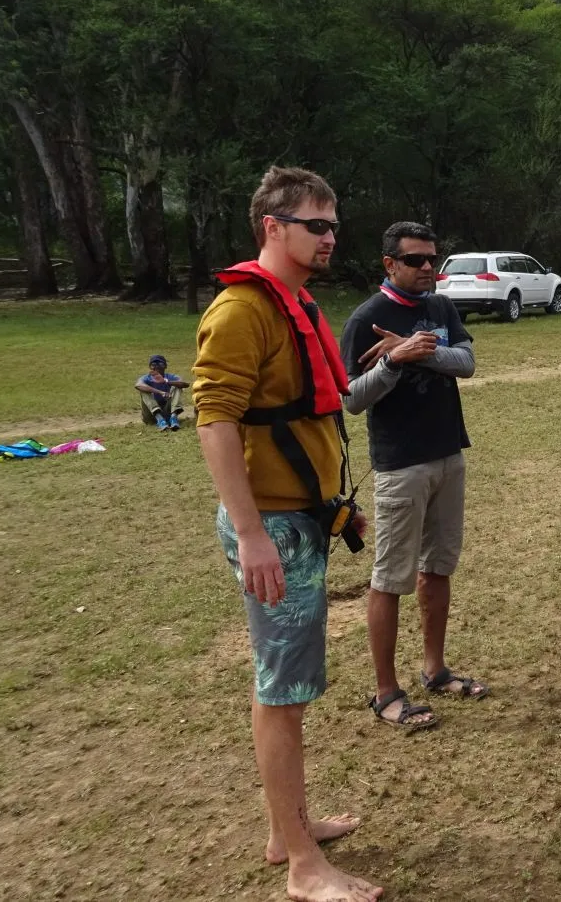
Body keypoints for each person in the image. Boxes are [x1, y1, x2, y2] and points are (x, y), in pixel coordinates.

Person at [194, 166, 382, 902]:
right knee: (282, 691)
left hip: (300, 519)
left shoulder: (296, 301)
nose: (330, 237)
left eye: (334, 226)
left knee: (289, 686)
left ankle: (287, 830)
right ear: (272, 226)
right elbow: (215, 421)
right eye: (316, 225)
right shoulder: (242, 310)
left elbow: (306, 419)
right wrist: (252, 534)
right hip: (270, 527)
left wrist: (334, 508)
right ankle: (303, 865)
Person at [341, 221, 483, 732]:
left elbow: (466, 362)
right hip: (401, 464)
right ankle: (386, 693)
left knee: (438, 567)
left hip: (448, 453)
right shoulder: (366, 318)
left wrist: (418, 348)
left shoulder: (441, 306)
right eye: (415, 260)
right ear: (389, 264)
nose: (427, 268)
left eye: (432, 259)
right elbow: (351, 399)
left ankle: (435, 670)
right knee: (390, 578)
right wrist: (394, 362)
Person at [136, 354, 188, 430]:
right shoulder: (146, 378)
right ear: (150, 367)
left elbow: (185, 384)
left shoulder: (170, 377)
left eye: (160, 364)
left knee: (177, 387)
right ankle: (160, 419)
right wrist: (161, 392)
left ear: (165, 366)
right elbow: (138, 385)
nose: (157, 366)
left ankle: (173, 418)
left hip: (167, 412)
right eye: (153, 364)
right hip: (151, 416)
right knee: (143, 390)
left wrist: (166, 382)